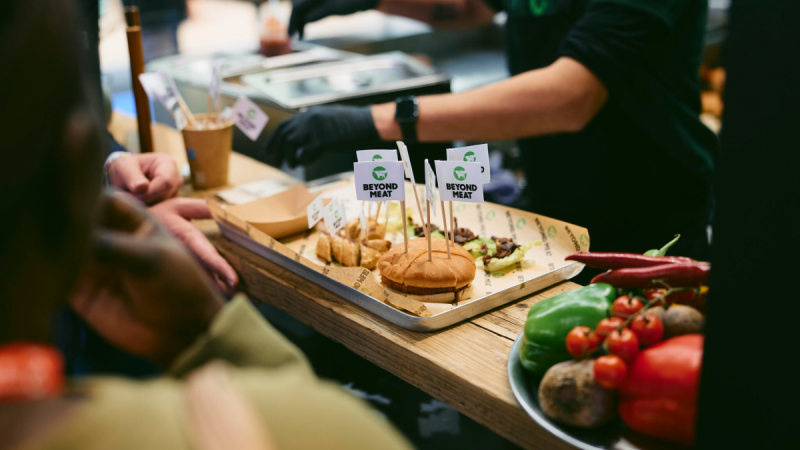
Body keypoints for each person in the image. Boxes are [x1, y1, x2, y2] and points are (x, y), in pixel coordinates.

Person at [0, 1, 412, 449]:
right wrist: (211, 338)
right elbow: (315, 421)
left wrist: (111, 161)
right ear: (74, 168)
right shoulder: (313, 431)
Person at [267, 0, 717, 275]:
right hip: (554, 207)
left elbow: (570, 96)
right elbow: (471, 6)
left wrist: (375, 120)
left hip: (649, 218)